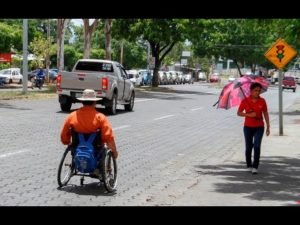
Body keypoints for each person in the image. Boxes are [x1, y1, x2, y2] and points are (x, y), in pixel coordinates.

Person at [60, 89, 119, 174]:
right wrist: (114, 152)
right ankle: (105, 171)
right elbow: (108, 138)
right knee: (106, 149)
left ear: (82, 102)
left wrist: (67, 142)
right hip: (96, 149)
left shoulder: (72, 116)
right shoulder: (100, 118)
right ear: (94, 102)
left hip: (77, 147)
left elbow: (64, 136)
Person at [237, 82, 270, 174]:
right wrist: (249, 115)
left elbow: (265, 113)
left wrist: (268, 126)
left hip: (259, 127)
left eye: (259, 91)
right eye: (255, 90)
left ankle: (255, 166)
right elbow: (239, 113)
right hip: (248, 127)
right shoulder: (245, 101)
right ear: (251, 91)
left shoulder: (262, 101)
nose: (257, 92)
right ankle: (249, 165)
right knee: (249, 147)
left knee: (257, 146)